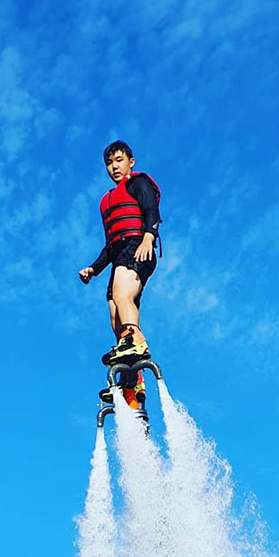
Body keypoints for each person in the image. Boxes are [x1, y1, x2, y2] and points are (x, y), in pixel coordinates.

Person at [78, 140, 161, 412]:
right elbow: (109, 246)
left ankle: (135, 341)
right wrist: (94, 268)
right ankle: (131, 378)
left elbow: (151, 211)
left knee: (122, 295)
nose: (114, 167)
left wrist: (148, 238)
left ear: (131, 161)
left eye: (119, 160)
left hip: (137, 246)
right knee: (115, 309)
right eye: (109, 163)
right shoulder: (106, 201)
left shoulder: (138, 184)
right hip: (120, 253)